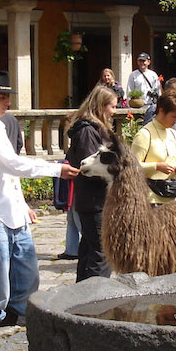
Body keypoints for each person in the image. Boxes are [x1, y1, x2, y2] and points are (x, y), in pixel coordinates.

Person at [0, 71, 79, 329]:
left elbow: (9, 174)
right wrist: (56, 169)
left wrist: (23, 204)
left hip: (12, 210)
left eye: (8, 97)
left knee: (27, 272)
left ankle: (15, 316)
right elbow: (11, 164)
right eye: (2, 97)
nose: (7, 103)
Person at [65, 84, 118, 280]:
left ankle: (82, 298)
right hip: (93, 201)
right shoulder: (87, 131)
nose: (114, 111)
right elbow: (89, 167)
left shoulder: (93, 129)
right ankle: (96, 299)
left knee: (89, 251)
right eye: (112, 106)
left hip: (96, 200)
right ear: (100, 106)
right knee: (101, 253)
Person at [131, 91, 176, 206]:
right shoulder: (144, 134)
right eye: (174, 116)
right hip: (150, 200)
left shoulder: (173, 133)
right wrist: (157, 166)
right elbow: (132, 167)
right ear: (161, 111)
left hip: (172, 197)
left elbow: (174, 160)